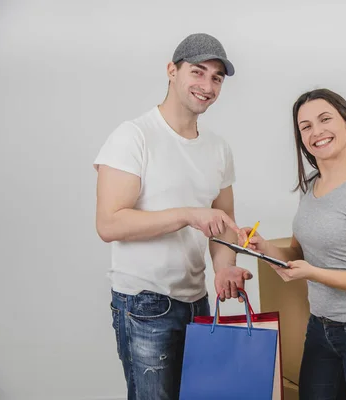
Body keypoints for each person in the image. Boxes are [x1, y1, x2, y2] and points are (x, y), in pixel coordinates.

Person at [93, 33, 251, 400]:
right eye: (198, 72)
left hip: (197, 302)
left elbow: (224, 223)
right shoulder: (133, 137)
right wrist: (186, 215)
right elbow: (109, 223)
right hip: (145, 304)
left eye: (216, 78)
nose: (207, 86)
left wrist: (224, 266)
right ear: (171, 71)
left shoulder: (218, 148)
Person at [243, 88, 346, 399]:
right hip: (321, 328)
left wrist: (312, 273)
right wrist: (263, 248)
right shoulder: (311, 187)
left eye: (325, 119)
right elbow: (297, 255)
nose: (316, 131)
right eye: (305, 126)